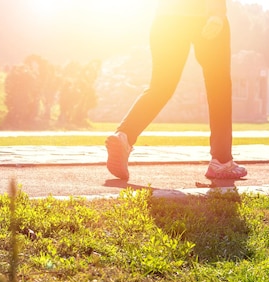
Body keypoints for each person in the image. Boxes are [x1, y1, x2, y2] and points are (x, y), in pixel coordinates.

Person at [106, 0, 247, 180]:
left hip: (167, 18)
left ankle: (124, 135)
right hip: (204, 14)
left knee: (161, 86)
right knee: (218, 87)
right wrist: (217, 13)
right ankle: (222, 161)